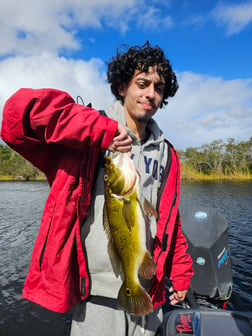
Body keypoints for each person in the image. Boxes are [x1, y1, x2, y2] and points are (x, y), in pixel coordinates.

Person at [1, 41, 193, 335]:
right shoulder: (84, 135)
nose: (150, 94)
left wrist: (180, 272)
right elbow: (14, 119)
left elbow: (169, 220)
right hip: (97, 300)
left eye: (158, 87)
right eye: (142, 83)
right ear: (121, 88)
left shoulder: (167, 153)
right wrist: (101, 130)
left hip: (150, 296)